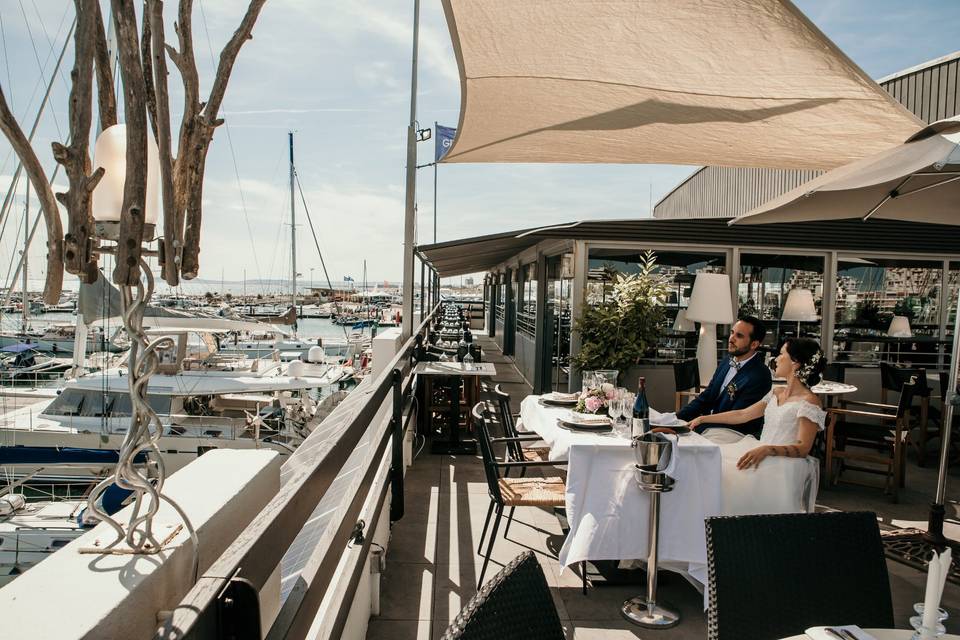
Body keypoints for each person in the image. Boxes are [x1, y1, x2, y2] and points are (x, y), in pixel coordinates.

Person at [689, 337, 827, 515]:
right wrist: (703, 419)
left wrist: (767, 450)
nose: (776, 359)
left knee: (726, 476)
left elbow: (803, 448)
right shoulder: (776, 392)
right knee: (711, 464)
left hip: (780, 464)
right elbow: (743, 414)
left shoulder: (809, 402)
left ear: (796, 363)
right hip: (759, 451)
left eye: (781, 354)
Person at [677, 316, 772, 436]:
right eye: (732, 333)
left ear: (754, 344)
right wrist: (677, 418)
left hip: (735, 434)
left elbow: (738, 417)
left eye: (739, 336)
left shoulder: (760, 375)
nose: (731, 339)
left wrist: (698, 425)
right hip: (709, 425)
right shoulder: (727, 361)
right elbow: (707, 396)